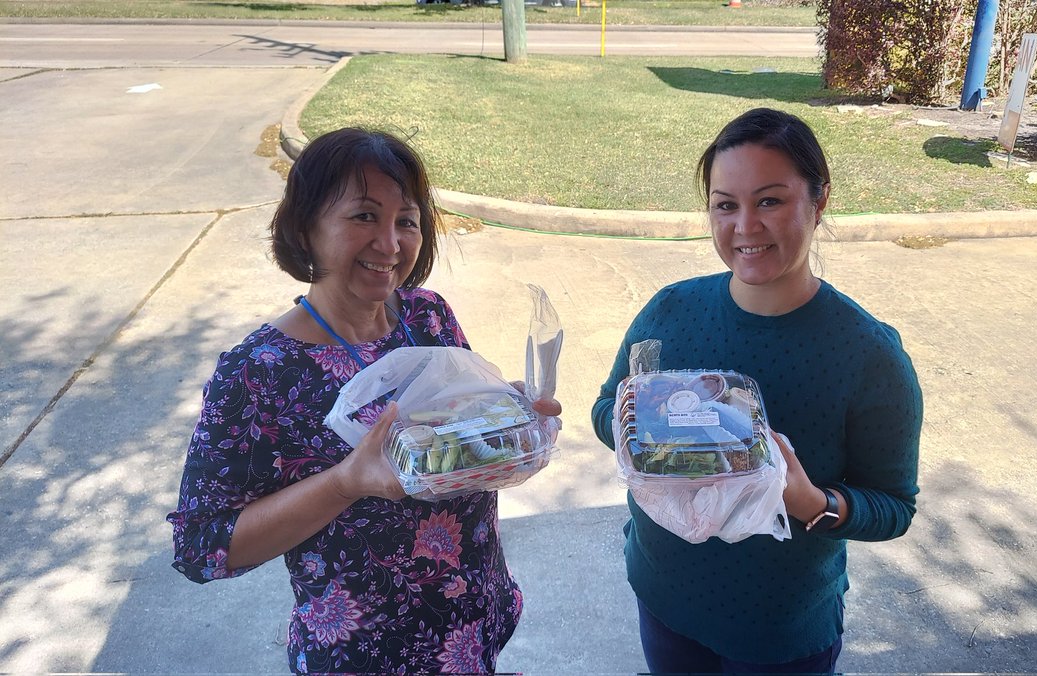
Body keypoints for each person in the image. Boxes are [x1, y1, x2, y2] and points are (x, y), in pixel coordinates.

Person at [168, 127, 560, 674]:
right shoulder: (258, 371)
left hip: (469, 633)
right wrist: (343, 483)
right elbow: (202, 545)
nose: (391, 243)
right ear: (307, 227)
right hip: (362, 656)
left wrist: (506, 420)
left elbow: (456, 439)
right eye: (364, 216)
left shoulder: (428, 318)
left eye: (407, 221)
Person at [591, 108, 923, 673]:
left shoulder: (868, 355)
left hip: (780, 630)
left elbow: (892, 507)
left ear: (818, 203)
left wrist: (812, 504)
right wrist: (645, 429)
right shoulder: (671, 311)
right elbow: (605, 411)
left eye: (769, 200)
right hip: (663, 596)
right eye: (726, 204)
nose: (744, 226)